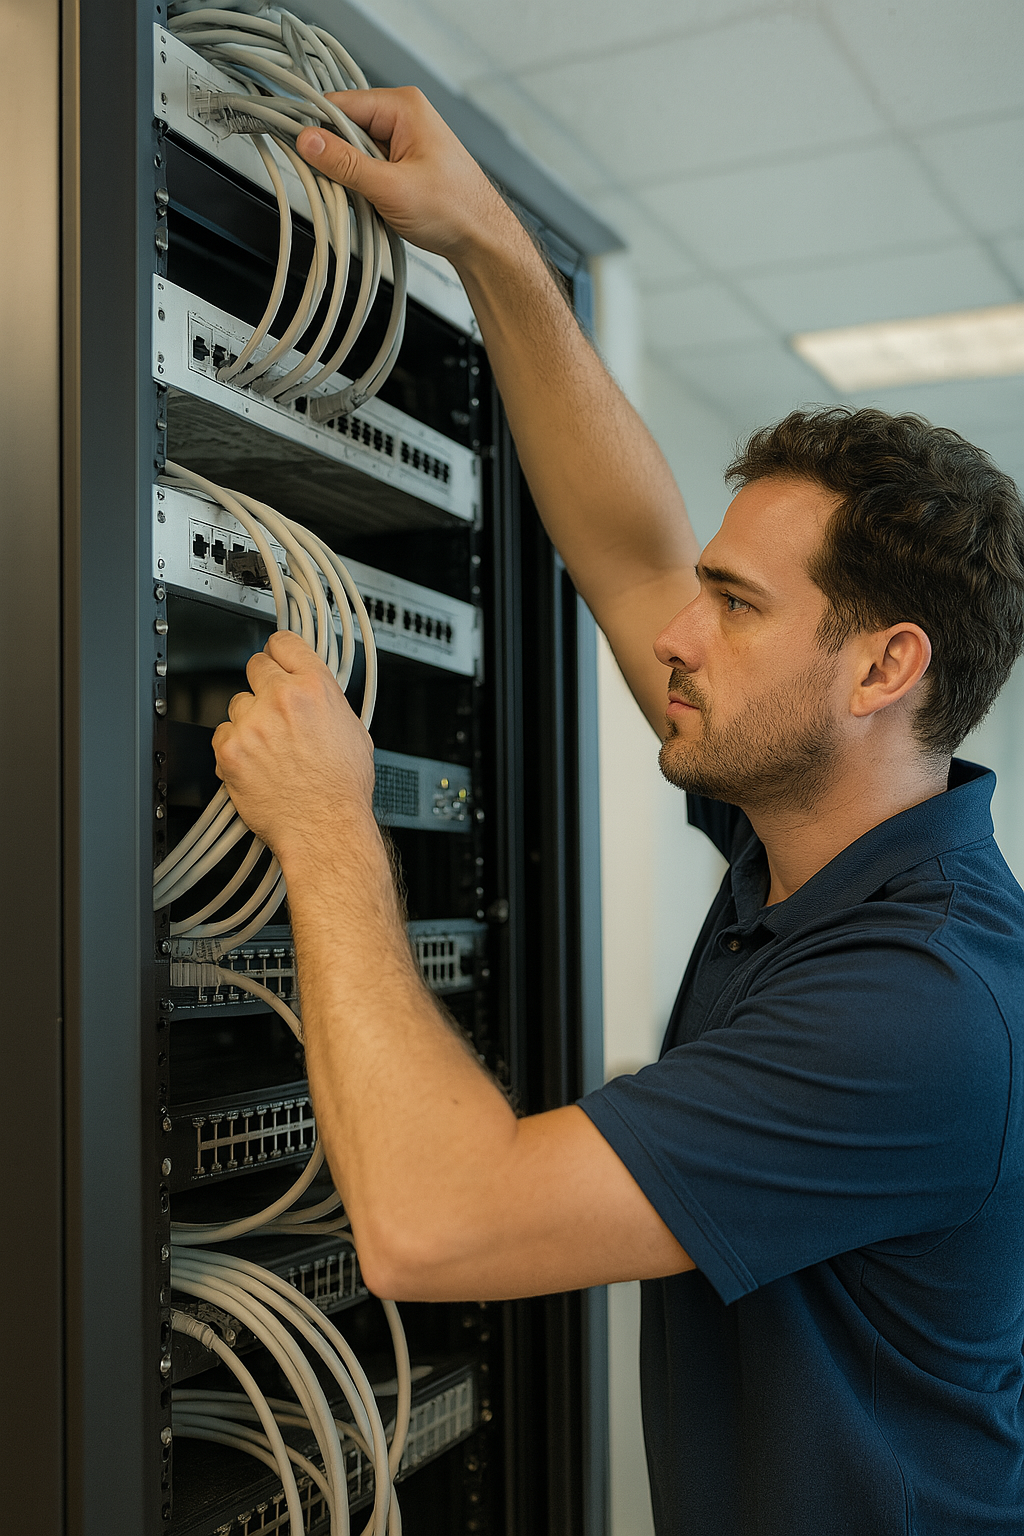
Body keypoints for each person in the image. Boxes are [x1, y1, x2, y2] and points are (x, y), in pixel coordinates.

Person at [211, 89, 1024, 1536]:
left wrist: (331, 828)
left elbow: (431, 1221)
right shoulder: (820, 835)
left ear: (885, 668)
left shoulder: (923, 1008)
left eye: (736, 605)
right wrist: (492, 246)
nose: (676, 637)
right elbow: (628, 543)